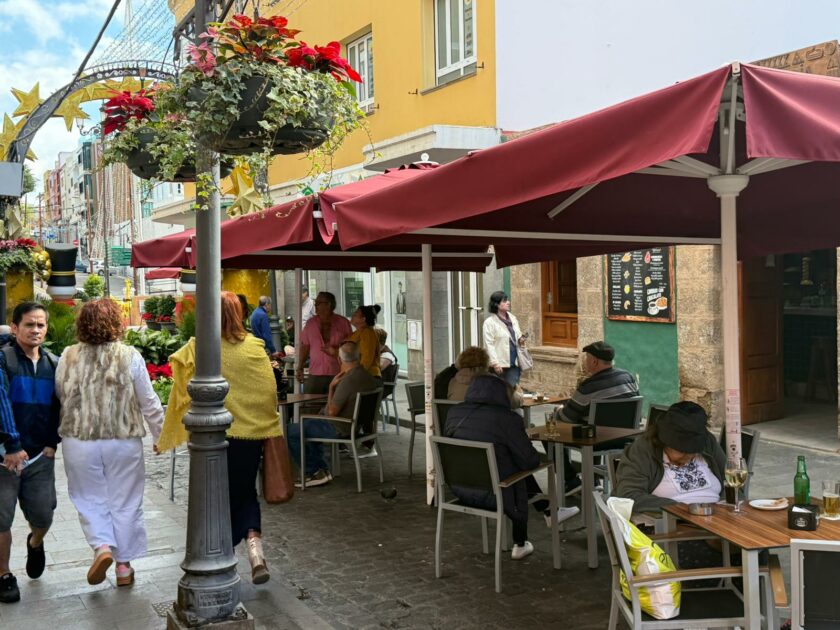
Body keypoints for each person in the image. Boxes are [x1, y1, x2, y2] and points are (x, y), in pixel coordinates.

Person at [158, 291, 281, 585]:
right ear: (239, 314)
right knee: (246, 491)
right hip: (251, 436)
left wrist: (172, 426)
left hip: (212, 437)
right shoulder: (255, 347)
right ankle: (255, 549)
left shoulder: (199, 348)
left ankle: (220, 554)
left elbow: (181, 389)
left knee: (214, 498)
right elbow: (268, 392)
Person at [55, 299, 163, 587]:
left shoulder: (67, 356)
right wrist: (160, 435)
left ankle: (102, 546)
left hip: (79, 438)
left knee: (88, 497)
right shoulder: (130, 356)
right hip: (122, 439)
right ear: (116, 323)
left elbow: (60, 394)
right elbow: (149, 401)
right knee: (125, 500)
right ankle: (123, 567)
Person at [444, 375, 579, 560]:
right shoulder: (507, 419)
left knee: (508, 462)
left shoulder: (454, 413)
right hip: (496, 494)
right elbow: (531, 461)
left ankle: (549, 511)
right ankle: (522, 541)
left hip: (460, 488)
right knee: (517, 467)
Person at [0, 302, 60, 604]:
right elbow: (1, 403)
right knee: (1, 520)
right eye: (29, 324)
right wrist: (11, 446)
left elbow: (59, 406)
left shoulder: (54, 363)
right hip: (3, 458)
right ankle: (3, 574)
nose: (35, 330)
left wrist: (52, 442)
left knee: (44, 515)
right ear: (15, 327)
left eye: (40, 325)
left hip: (39, 457)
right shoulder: (4, 359)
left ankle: (35, 543)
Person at [287, 341, 378, 487]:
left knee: (291, 431)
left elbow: (331, 412)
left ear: (339, 359)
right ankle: (321, 470)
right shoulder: (368, 376)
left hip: (339, 427)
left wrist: (331, 388)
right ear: (359, 356)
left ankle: (314, 472)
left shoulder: (348, 380)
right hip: (355, 425)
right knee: (307, 426)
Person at [615, 401, 725, 515]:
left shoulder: (708, 443)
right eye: (682, 451)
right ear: (664, 442)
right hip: (670, 520)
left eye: (692, 452)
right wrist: (680, 509)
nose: (687, 458)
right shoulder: (643, 450)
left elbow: (729, 481)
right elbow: (628, 495)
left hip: (716, 515)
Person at [558, 341, 639, 424]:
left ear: (594, 362)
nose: (585, 361)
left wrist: (558, 409)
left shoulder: (588, 387)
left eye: (587, 357)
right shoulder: (628, 377)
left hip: (597, 432)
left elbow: (566, 417)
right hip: (628, 431)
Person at [296, 292, 352, 396]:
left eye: (318, 303)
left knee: (336, 404)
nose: (315, 305)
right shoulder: (311, 323)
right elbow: (305, 346)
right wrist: (300, 367)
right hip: (315, 373)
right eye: (315, 303)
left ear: (328, 305)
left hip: (339, 372)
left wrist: (337, 351)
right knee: (310, 403)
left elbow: (351, 348)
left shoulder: (343, 323)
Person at [482, 291, 525, 387]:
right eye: (504, 301)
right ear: (497, 304)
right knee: (498, 391)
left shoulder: (513, 318)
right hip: (500, 364)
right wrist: (495, 363)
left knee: (511, 390)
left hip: (514, 363)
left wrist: (521, 339)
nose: (508, 302)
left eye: (508, 300)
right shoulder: (489, 322)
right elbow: (489, 344)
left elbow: (518, 334)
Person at [348, 305, 382, 379]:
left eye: (355, 314)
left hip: (368, 376)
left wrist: (357, 375)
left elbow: (367, 358)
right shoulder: (359, 332)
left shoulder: (367, 333)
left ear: (363, 319)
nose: (352, 316)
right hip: (360, 374)